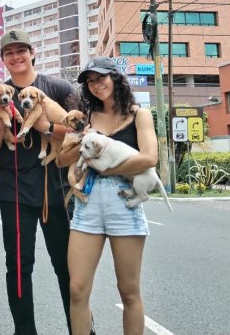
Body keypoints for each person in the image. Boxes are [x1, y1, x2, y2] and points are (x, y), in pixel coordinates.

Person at [0, 29, 77, 335]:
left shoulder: (59, 87)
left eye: (21, 50)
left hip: (57, 187)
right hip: (15, 190)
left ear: (32, 52)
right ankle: (24, 331)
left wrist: (46, 126)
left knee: (68, 268)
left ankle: (81, 330)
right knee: (19, 268)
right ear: (3, 60)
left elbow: (82, 131)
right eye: (9, 53)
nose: (16, 56)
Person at [58, 56, 158, 335]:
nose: (95, 85)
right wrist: (76, 141)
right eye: (90, 81)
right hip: (87, 204)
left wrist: (103, 166)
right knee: (77, 288)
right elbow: (62, 160)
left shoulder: (140, 115)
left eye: (100, 77)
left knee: (128, 291)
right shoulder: (85, 119)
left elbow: (149, 158)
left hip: (123, 202)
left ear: (115, 77)